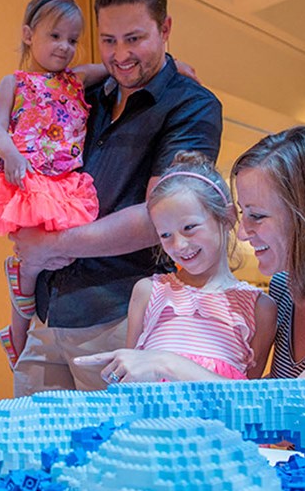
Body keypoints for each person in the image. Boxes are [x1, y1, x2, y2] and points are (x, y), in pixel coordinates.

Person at [80, 126, 305, 465]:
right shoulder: (285, 287)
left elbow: (295, 414)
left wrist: (168, 364)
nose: (241, 233)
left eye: (257, 216)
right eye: (242, 214)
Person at [9, 0, 223, 396]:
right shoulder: (88, 92)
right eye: (108, 40)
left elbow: (160, 217)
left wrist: (51, 244)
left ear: (165, 30)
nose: (120, 54)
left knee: (112, 452)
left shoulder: (191, 105)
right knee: (27, 451)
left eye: (134, 38)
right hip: (49, 312)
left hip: (120, 315)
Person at [0, 0, 107, 368]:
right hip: (29, 174)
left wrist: (171, 65)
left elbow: (115, 65)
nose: (65, 47)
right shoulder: (13, 82)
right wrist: (10, 153)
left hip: (64, 179)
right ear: (29, 35)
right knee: (33, 263)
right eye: (55, 36)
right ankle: (18, 334)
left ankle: (20, 324)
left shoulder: (77, 79)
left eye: (73, 40)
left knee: (59, 254)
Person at [101, 151, 276, 384]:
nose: (179, 245)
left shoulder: (260, 307)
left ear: (226, 217)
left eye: (189, 227)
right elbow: (131, 370)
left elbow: (246, 395)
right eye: (165, 234)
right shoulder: (148, 291)